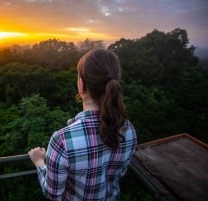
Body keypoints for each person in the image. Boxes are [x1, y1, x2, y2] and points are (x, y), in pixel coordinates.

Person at [28, 49, 137, 201]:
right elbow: (120, 173)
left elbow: (52, 194)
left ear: (81, 84)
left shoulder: (62, 140)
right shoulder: (128, 130)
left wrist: (39, 162)